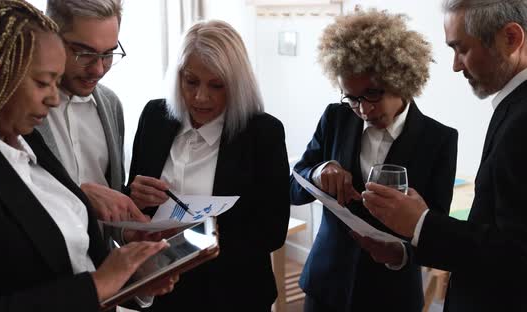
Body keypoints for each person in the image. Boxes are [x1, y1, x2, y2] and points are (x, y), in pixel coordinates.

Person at [0, 1, 175, 311]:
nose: (53, 98)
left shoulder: (29, 142)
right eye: (42, 82)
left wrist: (136, 273)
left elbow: (78, 256)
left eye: (108, 54)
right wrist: (98, 285)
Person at [289, 8, 458, 312]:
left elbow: (437, 232)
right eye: (352, 98)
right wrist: (318, 172)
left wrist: (399, 254)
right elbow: (294, 186)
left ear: (403, 79)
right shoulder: (335, 119)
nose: (363, 110)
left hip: (391, 296)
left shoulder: (440, 140)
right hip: (325, 286)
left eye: (372, 95)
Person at [362, 1, 527, 311]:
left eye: (461, 49)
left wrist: (420, 222)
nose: (455, 65)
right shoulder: (512, 107)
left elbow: (515, 253)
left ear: (510, 39)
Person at [127, 20, 290, 311]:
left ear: (237, 85)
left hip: (232, 293)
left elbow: (272, 231)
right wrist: (134, 195)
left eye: (217, 85)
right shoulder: (154, 116)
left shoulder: (262, 133)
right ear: (178, 77)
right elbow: (136, 206)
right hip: (164, 289)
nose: (201, 97)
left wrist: (198, 241)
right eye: (191, 82)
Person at [37, 0, 143, 226]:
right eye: (84, 53)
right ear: (50, 35)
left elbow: (106, 218)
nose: (98, 69)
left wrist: (127, 230)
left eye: (108, 54)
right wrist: (78, 194)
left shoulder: (111, 105)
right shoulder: (18, 107)